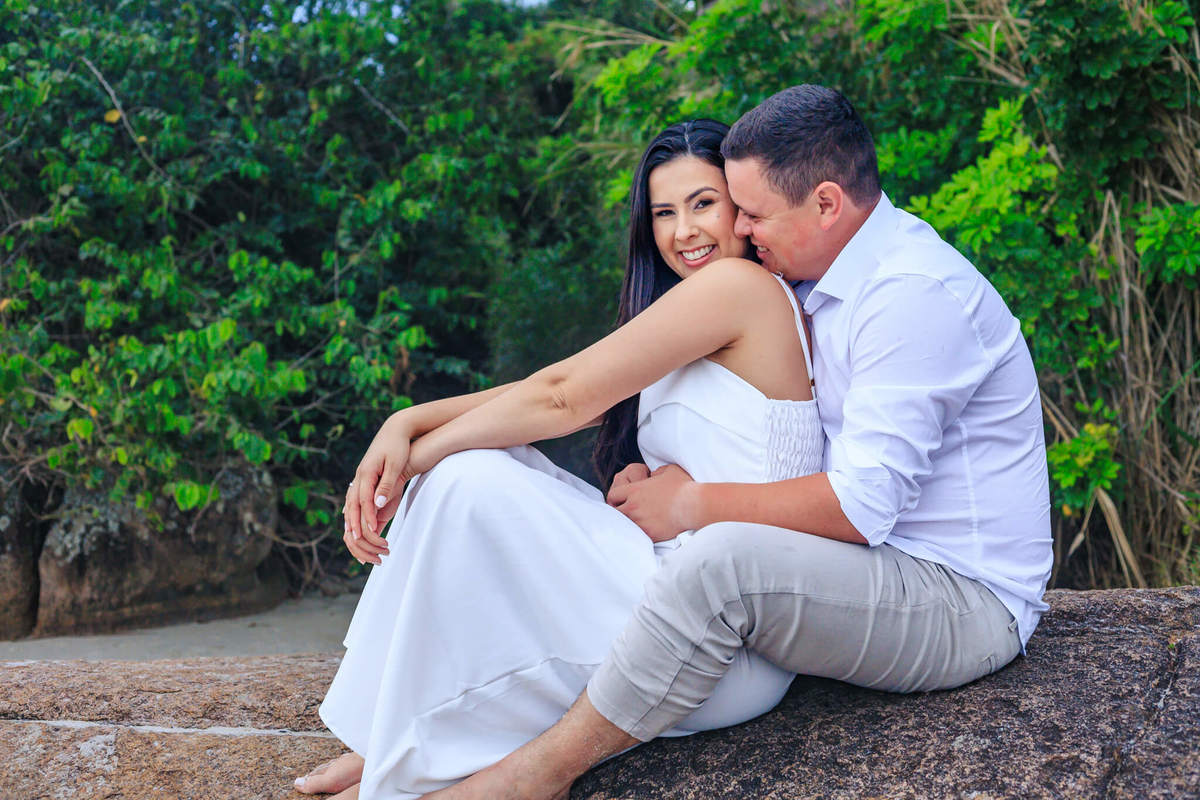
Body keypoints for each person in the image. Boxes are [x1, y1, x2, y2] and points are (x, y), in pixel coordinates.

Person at [416, 84, 1054, 800]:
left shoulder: (911, 294)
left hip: (961, 601)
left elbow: (859, 508)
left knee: (722, 562)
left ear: (824, 204)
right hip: (869, 568)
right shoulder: (819, 276)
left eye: (751, 212)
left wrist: (691, 503)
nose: (741, 231)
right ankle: (421, 743)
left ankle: (535, 774)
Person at [294, 118, 827, 799]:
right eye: (664, 212)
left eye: (703, 203)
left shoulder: (740, 291)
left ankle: (394, 746)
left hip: (722, 640)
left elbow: (561, 401)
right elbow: (554, 388)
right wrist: (408, 420)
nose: (684, 231)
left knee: (464, 478)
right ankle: (390, 738)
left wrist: (417, 455)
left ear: (741, 207)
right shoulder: (694, 307)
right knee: (480, 468)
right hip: (674, 584)